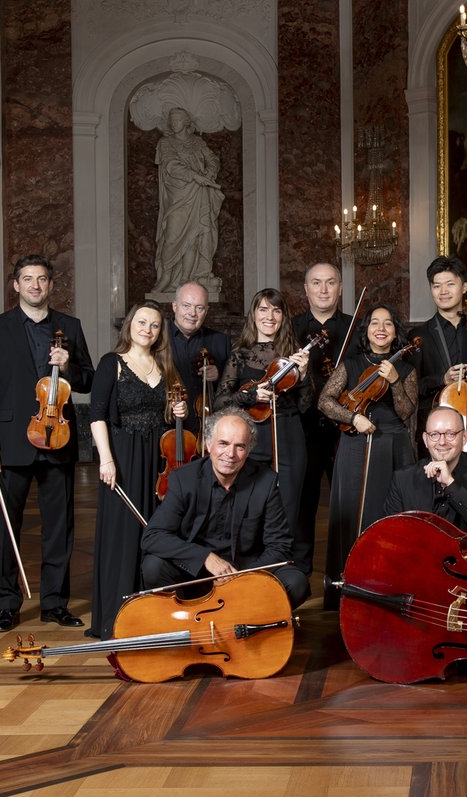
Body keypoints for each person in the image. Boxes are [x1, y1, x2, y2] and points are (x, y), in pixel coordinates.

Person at [0, 255, 94, 633]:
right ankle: (6, 604)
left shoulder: (69, 327)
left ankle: (55, 603)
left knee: (59, 527)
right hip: (11, 441)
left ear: (51, 285)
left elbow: (88, 380)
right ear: (16, 285)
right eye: (28, 279)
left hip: (58, 436)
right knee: (6, 527)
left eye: (42, 279)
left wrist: (69, 364)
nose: (35, 286)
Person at [84, 302, 188, 639]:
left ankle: (150, 616)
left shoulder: (165, 365)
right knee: (122, 533)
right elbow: (97, 415)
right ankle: (115, 618)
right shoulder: (111, 363)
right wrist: (106, 459)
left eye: (155, 325)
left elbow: (171, 416)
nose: (147, 329)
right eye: (142, 322)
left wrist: (180, 410)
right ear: (129, 325)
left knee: (155, 533)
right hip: (123, 457)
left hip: (157, 459)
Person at [139, 407, 310, 608]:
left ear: (249, 450)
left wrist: (241, 577)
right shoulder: (184, 479)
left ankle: (243, 620)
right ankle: (188, 621)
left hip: (246, 573)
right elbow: (153, 536)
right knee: (153, 567)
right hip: (195, 573)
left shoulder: (266, 481)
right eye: (223, 443)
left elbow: (280, 546)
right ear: (208, 444)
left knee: (296, 583)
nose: (230, 454)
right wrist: (205, 558)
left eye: (240, 446)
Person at [317, 305, 419, 607]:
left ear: (396, 332)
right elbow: (325, 401)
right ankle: (347, 591)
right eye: (375, 322)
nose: (381, 328)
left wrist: (395, 380)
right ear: (367, 330)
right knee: (352, 512)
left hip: (394, 445)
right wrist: (353, 418)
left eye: (388, 323)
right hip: (355, 442)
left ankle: (390, 591)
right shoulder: (351, 364)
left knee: (390, 516)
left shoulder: (406, 369)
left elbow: (406, 411)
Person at [213, 288, 313, 560]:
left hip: (288, 435)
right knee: (250, 505)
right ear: (254, 315)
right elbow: (220, 401)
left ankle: (283, 568)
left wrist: (303, 375)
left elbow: (305, 406)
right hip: (252, 436)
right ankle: (249, 568)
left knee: (289, 506)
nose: (270, 316)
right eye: (263, 309)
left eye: (276, 310)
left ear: (283, 317)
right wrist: (250, 396)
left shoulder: (293, 357)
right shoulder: (240, 355)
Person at [383, 405, 467, 565]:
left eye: (450, 434)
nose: (442, 442)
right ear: (425, 439)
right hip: (420, 562)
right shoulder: (403, 478)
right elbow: (390, 535)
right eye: (434, 435)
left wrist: (450, 484)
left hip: (466, 561)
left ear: (464, 437)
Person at [292, 262, 354, 577]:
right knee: (304, 501)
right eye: (316, 283)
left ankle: (348, 569)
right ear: (306, 289)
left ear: (340, 288)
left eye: (331, 282)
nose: (324, 289)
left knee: (347, 500)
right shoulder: (290, 328)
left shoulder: (357, 327)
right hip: (304, 426)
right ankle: (300, 572)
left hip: (346, 426)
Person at [409, 255, 467, 448]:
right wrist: (442, 379)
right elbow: (411, 388)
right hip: (436, 434)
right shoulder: (419, 336)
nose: (443, 291)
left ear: (464, 287)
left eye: (450, 284)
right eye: (436, 286)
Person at [153, 106, 224, 293]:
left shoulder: (197, 142)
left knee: (193, 237)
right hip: (178, 196)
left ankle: (185, 279)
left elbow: (213, 159)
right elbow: (171, 165)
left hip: (198, 194)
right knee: (171, 237)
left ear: (186, 122)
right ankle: (166, 276)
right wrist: (195, 176)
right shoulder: (166, 142)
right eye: (172, 120)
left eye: (177, 120)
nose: (173, 123)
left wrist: (209, 173)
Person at [167, 281, 229, 434]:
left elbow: (233, 388)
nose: (192, 313)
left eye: (199, 308)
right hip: (166, 428)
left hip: (206, 430)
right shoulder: (157, 338)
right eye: (186, 306)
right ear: (175, 306)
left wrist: (219, 375)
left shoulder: (220, 341)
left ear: (206, 311)